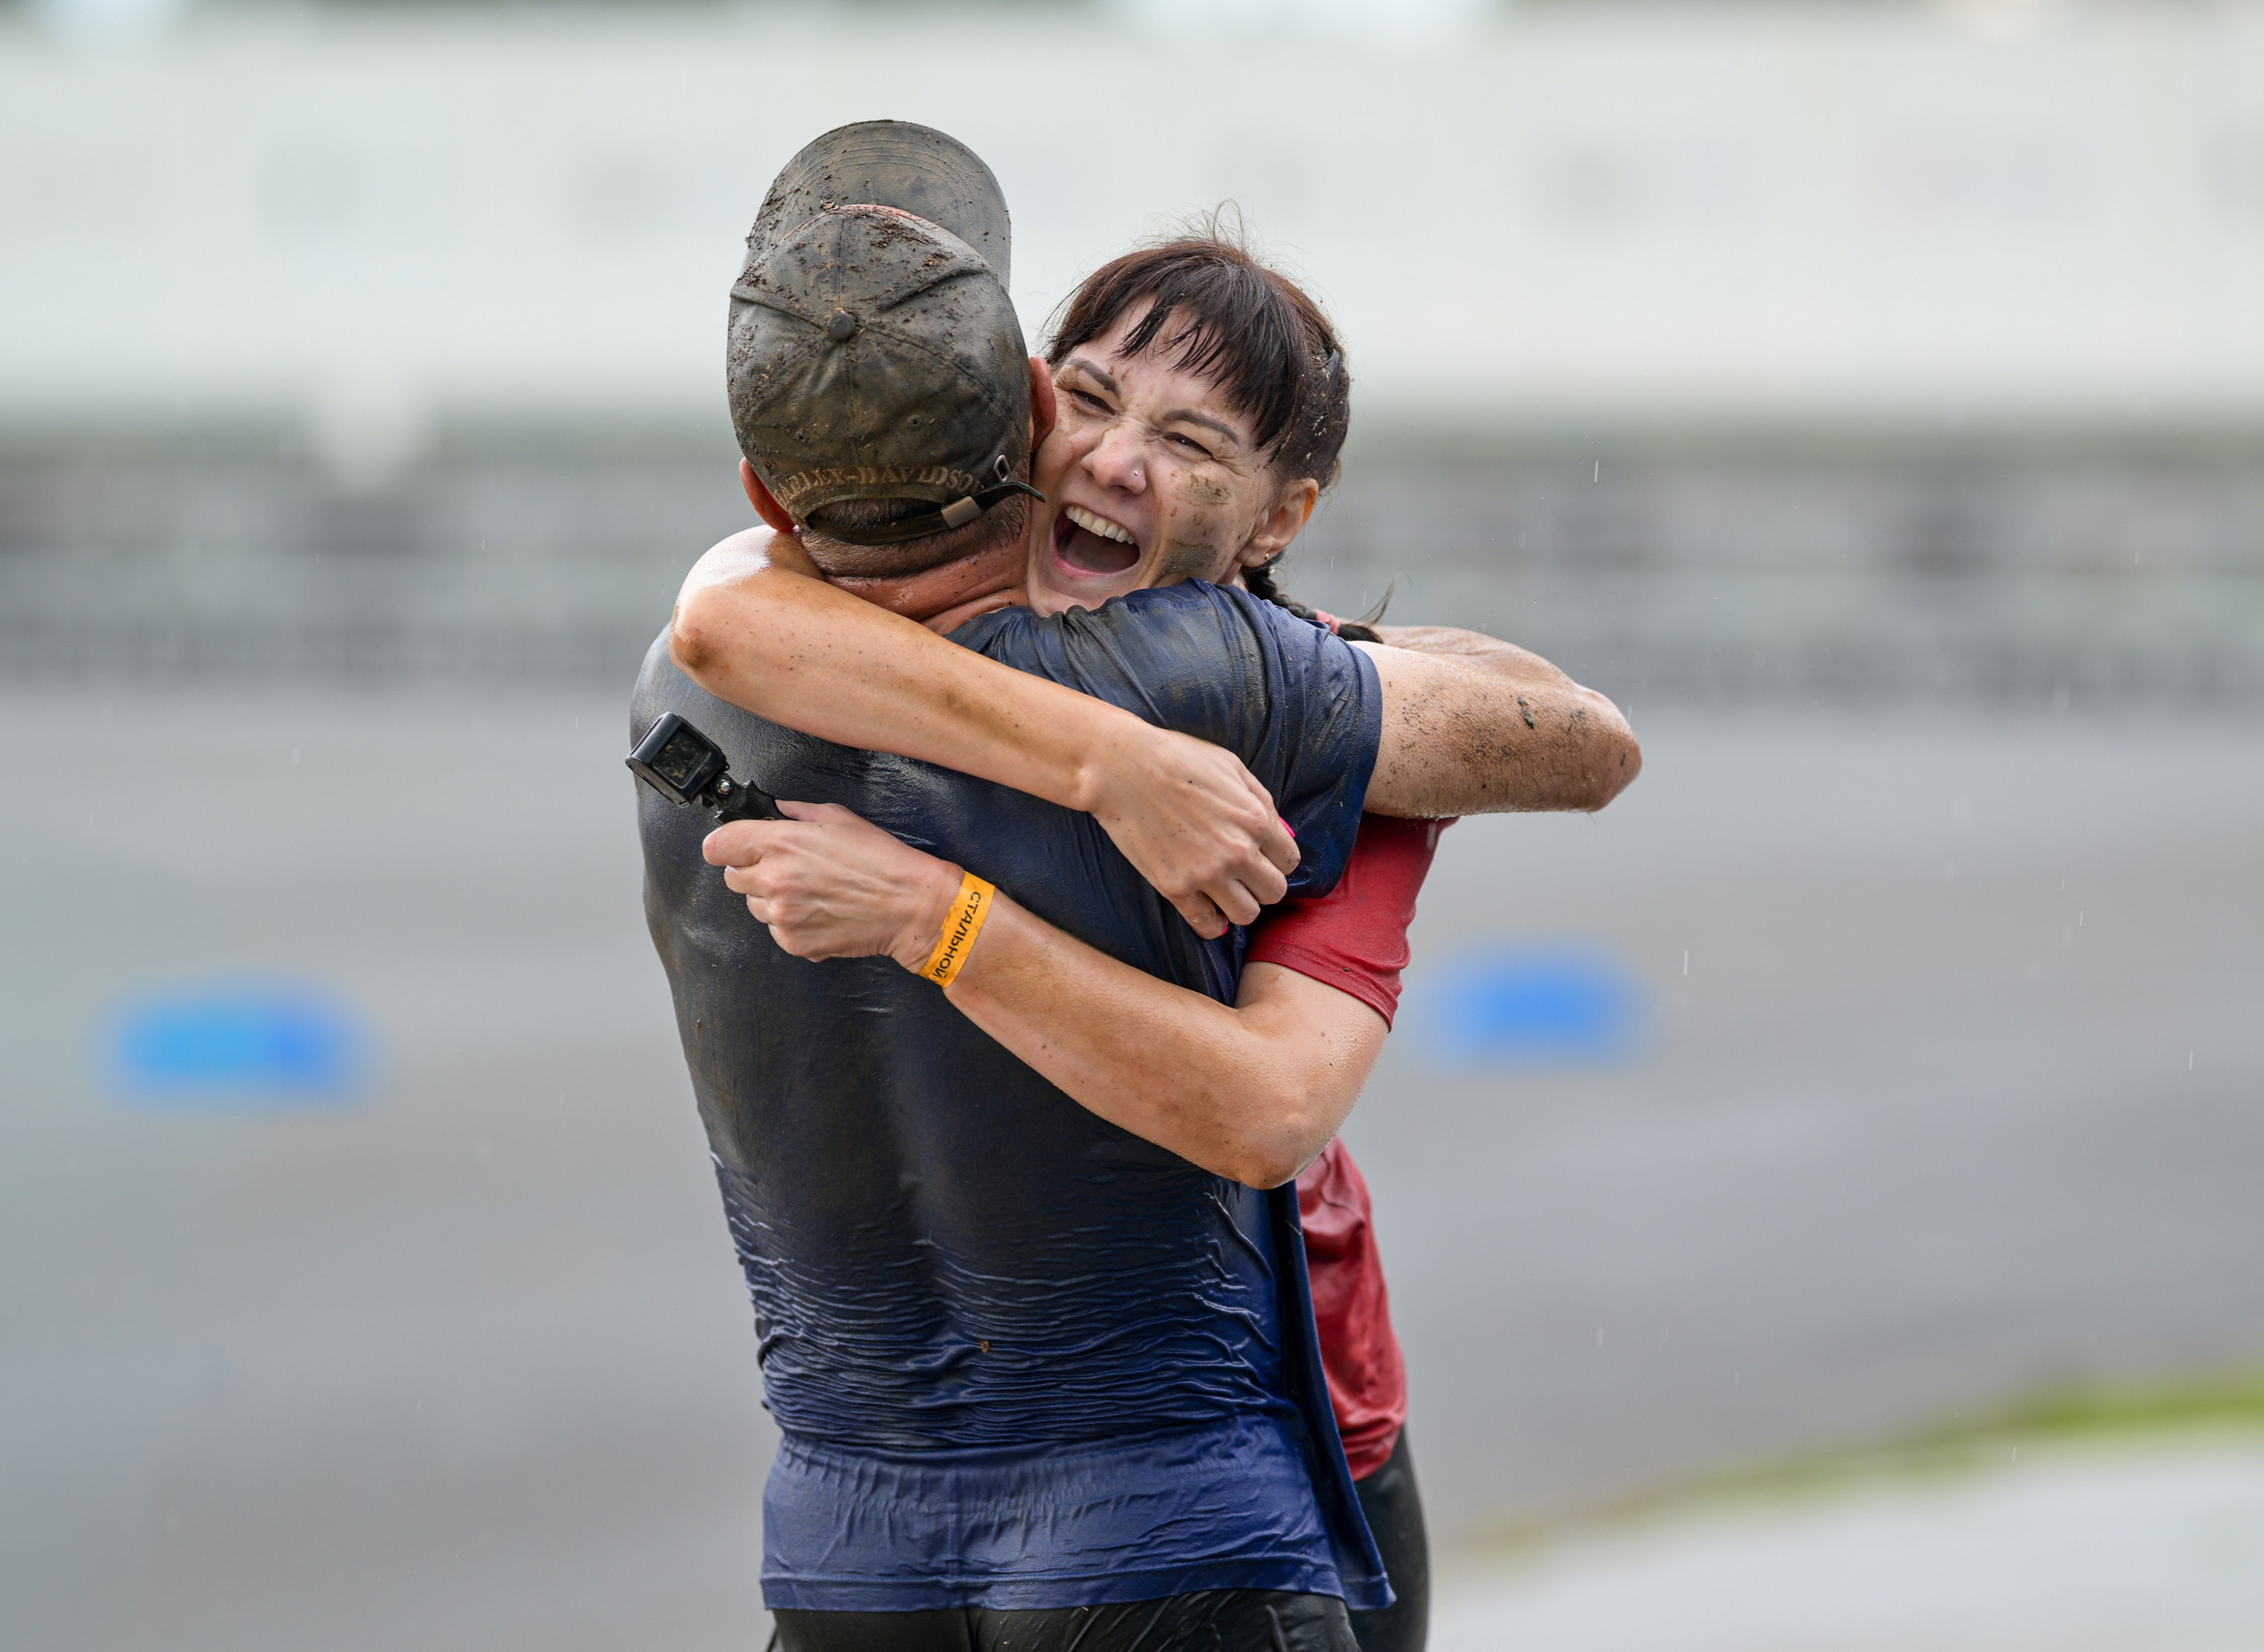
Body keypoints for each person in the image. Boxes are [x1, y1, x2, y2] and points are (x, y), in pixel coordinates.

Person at [637, 122, 1630, 1652]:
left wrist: (933, 910)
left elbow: (1274, 1100)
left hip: (1306, 1429)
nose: (1113, 459)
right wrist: (1106, 757)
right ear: (1028, 401)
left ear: (1282, 515)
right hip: (1076, 1500)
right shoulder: (817, 643)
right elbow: (723, 614)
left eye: (1190, 443)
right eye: (1094, 399)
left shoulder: (1314, 739)